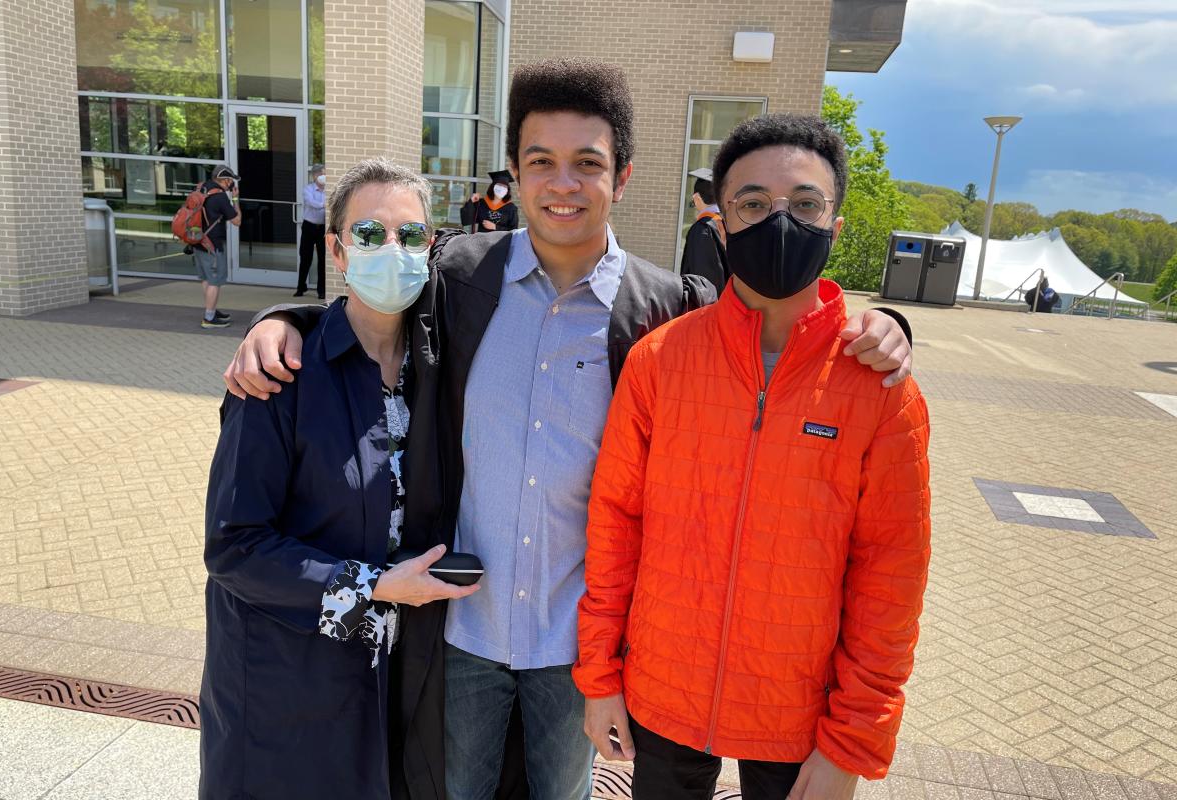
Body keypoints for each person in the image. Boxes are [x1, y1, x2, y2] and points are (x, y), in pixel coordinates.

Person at [221, 60, 915, 800]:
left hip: (577, 646)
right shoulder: (458, 277)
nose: (563, 183)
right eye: (540, 162)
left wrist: (885, 327)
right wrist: (279, 322)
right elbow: (371, 308)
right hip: (460, 629)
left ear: (622, 178)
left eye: (588, 163)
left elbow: (765, 332)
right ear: (515, 175)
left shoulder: (667, 308)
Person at [577, 114, 932, 800]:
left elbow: (891, 579)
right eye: (753, 204)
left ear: (835, 222)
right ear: (721, 221)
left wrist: (853, 743)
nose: (780, 221)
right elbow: (615, 525)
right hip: (664, 689)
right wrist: (600, 679)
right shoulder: (661, 361)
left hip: (802, 710)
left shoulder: (882, 388)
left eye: (804, 204)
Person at [199, 158, 479, 799]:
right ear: (337, 248)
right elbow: (234, 546)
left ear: (430, 246)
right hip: (284, 675)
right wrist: (375, 586)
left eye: (409, 236)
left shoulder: (438, 367)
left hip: (393, 675)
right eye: (370, 234)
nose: (392, 250)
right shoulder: (278, 375)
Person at [195, 165, 241, 329]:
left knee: (207, 279)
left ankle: (212, 310)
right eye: (230, 180)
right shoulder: (220, 197)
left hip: (198, 242)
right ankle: (208, 318)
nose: (231, 184)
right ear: (224, 180)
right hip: (213, 245)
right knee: (215, 281)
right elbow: (237, 221)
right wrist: (235, 199)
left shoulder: (202, 188)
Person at [679, 167, 729, 293]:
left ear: (697, 198)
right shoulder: (727, 222)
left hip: (710, 305)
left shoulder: (703, 229)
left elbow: (704, 281)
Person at [295, 163, 328, 299]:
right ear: (315, 176)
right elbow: (311, 203)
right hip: (309, 226)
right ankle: (301, 287)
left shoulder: (328, 190)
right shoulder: (308, 189)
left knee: (322, 259)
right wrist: (324, 205)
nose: (323, 177)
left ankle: (321, 290)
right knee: (305, 257)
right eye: (321, 174)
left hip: (322, 228)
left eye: (325, 174)